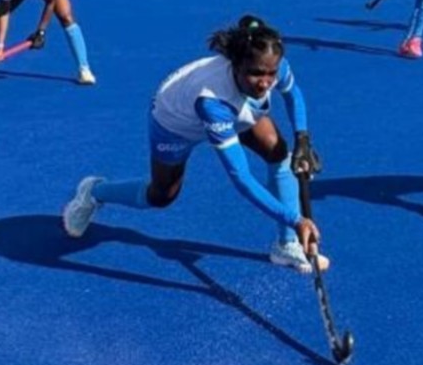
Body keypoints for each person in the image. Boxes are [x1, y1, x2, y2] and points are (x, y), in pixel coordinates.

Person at [60, 15, 326, 274]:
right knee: (161, 196)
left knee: (277, 151)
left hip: (233, 105)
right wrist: (296, 218)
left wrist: (302, 138)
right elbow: (241, 178)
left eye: (271, 74)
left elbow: (293, 95)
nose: (265, 83)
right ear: (235, 64)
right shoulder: (212, 101)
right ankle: (95, 191)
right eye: (256, 74)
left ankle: (286, 243)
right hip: (175, 122)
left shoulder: (272, 62)